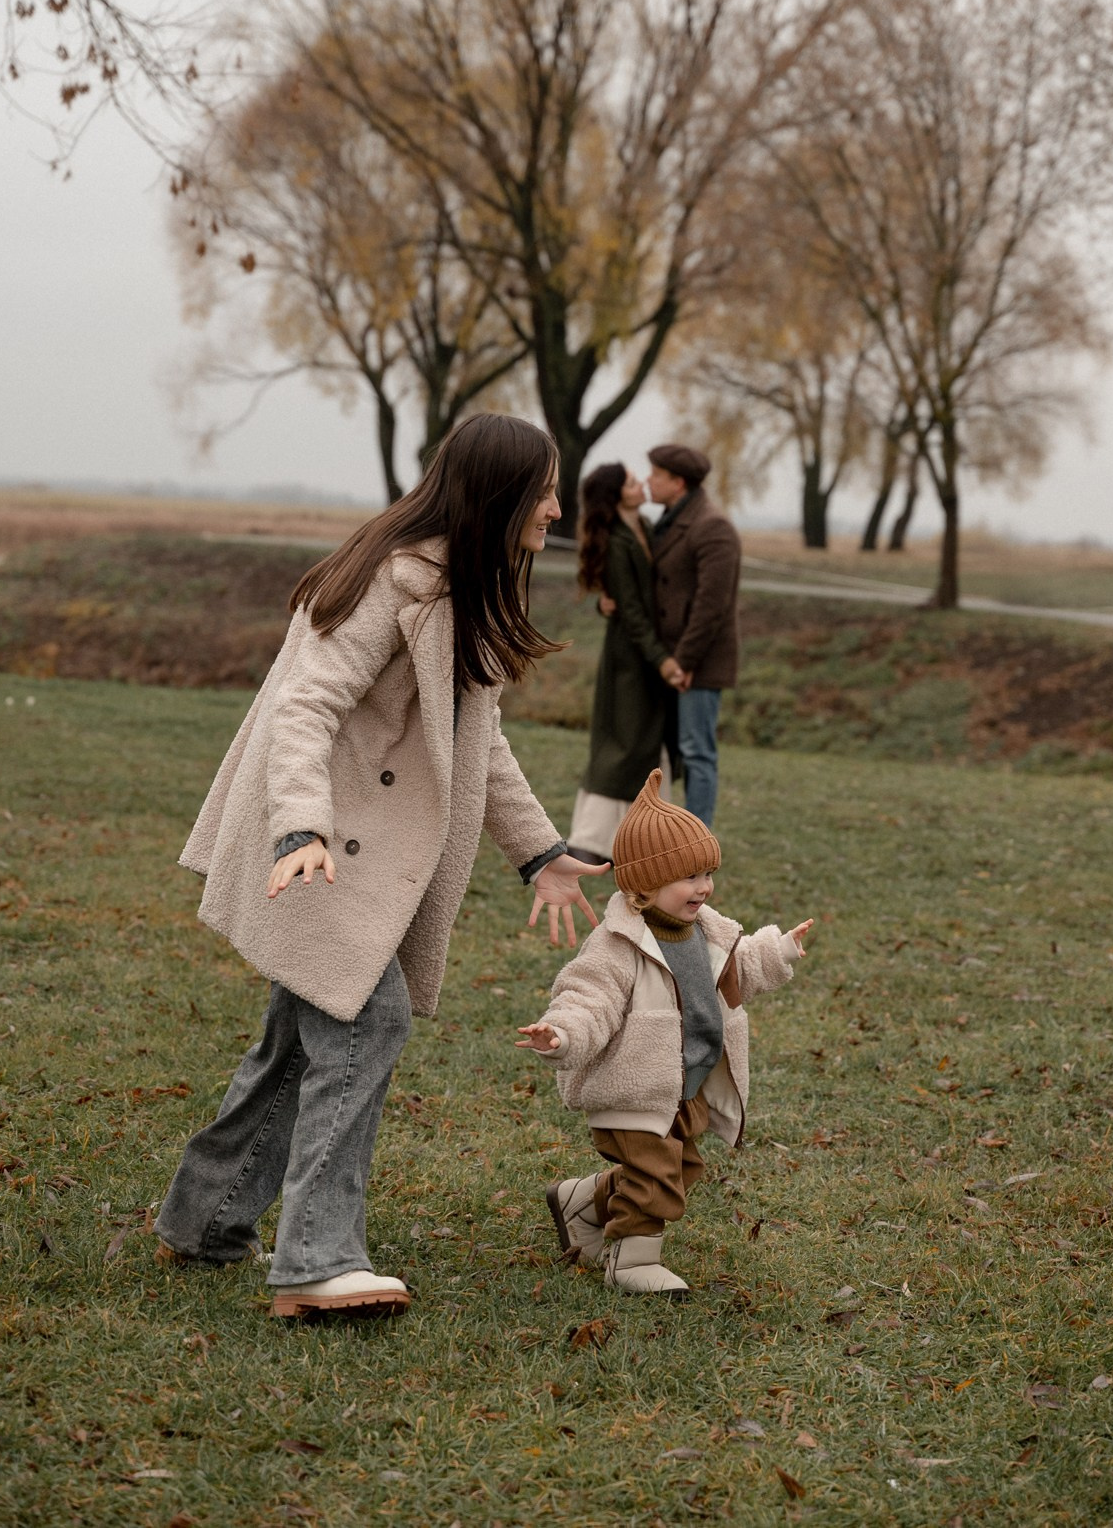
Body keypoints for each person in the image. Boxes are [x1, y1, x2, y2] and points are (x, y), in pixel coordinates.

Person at [153, 414, 607, 1321]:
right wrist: (299, 829)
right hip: (320, 850)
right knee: (364, 1021)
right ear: (501, 494)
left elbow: (479, 745)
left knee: (302, 1038)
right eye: (546, 490)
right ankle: (317, 1262)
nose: (558, 509)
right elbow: (305, 706)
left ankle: (204, 1222)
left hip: (348, 852)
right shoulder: (396, 580)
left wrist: (542, 853)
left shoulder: (461, 586)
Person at [516, 770, 812, 1296]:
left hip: (685, 1089)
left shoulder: (709, 930)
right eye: (689, 876)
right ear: (642, 887)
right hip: (635, 1087)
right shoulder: (617, 946)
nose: (703, 886)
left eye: (706, 873)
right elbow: (589, 999)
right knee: (655, 1179)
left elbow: (736, 968)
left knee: (680, 1169)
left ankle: (582, 1201)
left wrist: (778, 949)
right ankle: (629, 1261)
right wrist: (560, 1033)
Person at [567, 462, 686, 863]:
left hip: (645, 656)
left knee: (644, 744)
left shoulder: (645, 528)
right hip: (630, 661)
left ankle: (647, 838)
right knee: (623, 744)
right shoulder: (618, 542)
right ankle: (594, 840)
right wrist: (661, 660)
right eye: (632, 482)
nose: (640, 485)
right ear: (617, 494)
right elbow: (631, 611)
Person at [646, 444, 742, 829]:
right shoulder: (671, 520)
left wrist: (684, 662)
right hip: (671, 659)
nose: (649, 481)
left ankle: (697, 842)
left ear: (677, 481)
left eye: (656, 474)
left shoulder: (712, 526)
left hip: (697, 664)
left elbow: (711, 606)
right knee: (674, 751)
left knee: (697, 752)